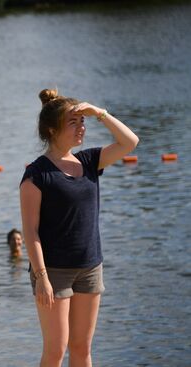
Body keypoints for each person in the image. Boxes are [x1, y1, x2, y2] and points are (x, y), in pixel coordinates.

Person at [19, 88, 139, 367]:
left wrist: (100, 113)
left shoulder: (89, 162)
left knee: (82, 349)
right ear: (51, 130)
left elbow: (130, 141)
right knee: (56, 351)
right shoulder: (36, 176)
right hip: (53, 272)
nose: (81, 128)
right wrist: (42, 278)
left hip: (90, 266)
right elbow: (30, 232)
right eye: (73, 122)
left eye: (82, 121)